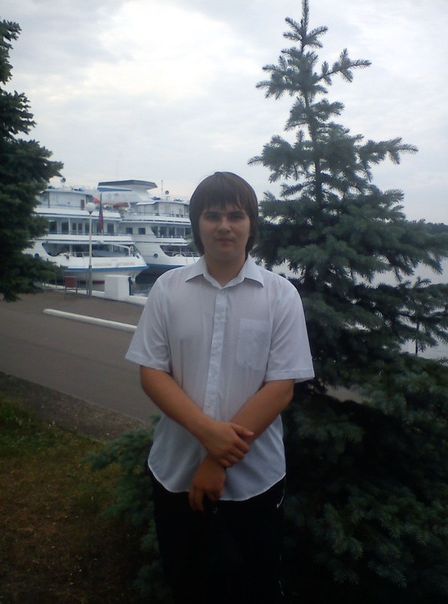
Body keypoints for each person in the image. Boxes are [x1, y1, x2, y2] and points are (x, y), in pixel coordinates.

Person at [126, 172, 314, 603]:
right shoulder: (168, 290)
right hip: (175, 472)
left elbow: (281, 387)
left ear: (251, 224)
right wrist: (207, 434)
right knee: (186, 583)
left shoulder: (280, 295)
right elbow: (152, 372)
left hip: (255, 480)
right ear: (198, 224)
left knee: (256, 586)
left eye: (235, 215)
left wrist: (216, 459)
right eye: (212, 216)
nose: (224, 226)